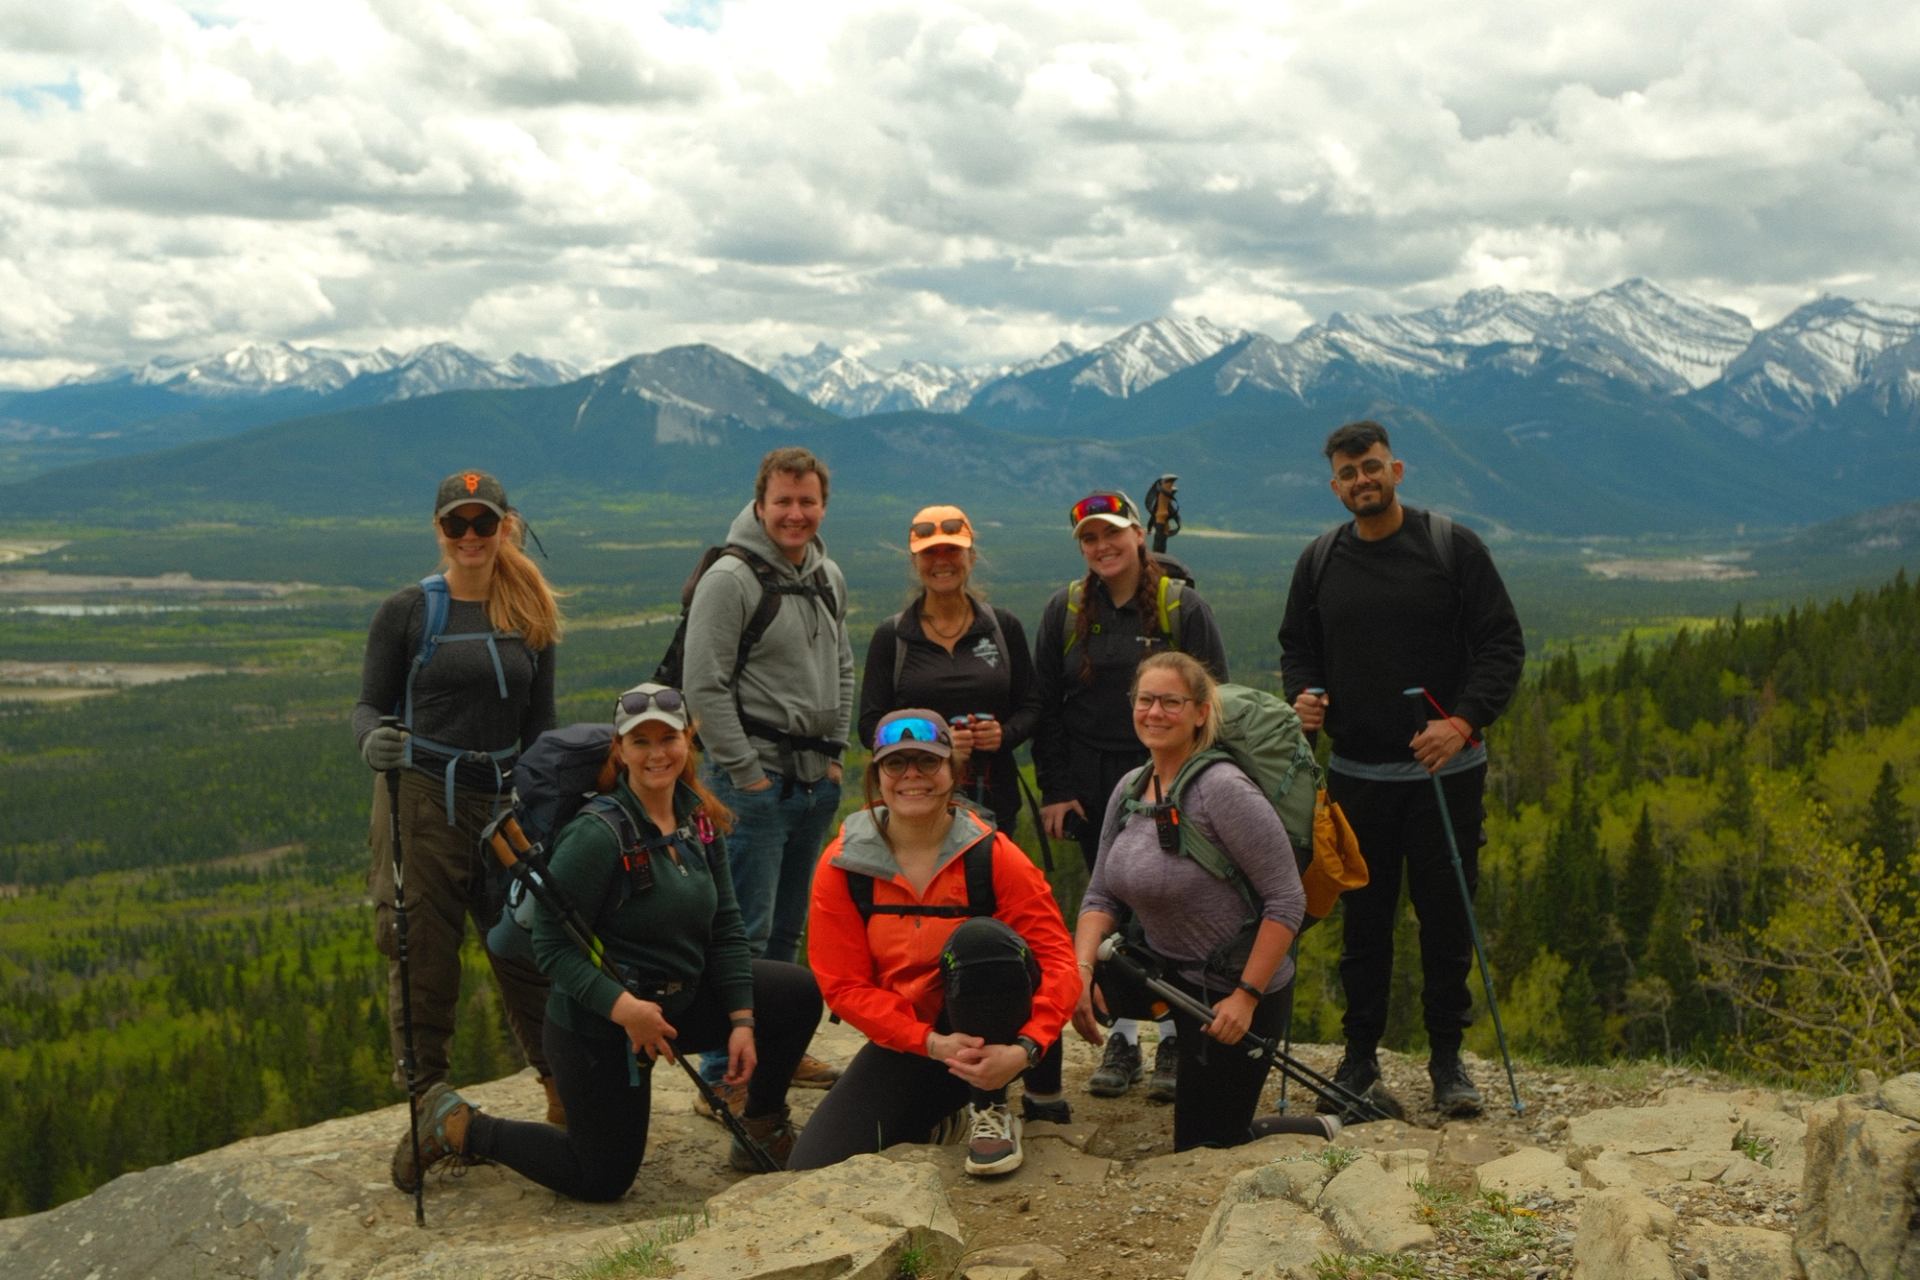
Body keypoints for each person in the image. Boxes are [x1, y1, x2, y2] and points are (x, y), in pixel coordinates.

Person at [396, 683, 824, 1197]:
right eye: (639, 742)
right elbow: (551, 947)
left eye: (667, 738)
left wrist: (740, 1019)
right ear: (619, 751)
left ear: (688, 740)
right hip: (600, 1026)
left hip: (673, 1005)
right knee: (600, 1178)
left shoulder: (697, 819)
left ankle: (761, 1126)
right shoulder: (596, 835)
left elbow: (727, 926)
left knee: (795, 994)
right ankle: (458, 1124)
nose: (656, 753)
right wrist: (625, 1010)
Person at [1277, 420, 1525, 1117]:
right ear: (1335, 485)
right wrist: (1304, 694)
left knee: (1447, 920)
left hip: (1447, 775)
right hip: (1357, 774)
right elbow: (1298, 644)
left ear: (1398, 470)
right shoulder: (1321, 560)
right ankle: (1359, 1060)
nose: (1363, 480)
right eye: (1349, 472)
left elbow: (1503, 646)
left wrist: (1461, 724)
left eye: (1373, 467)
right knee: (1365, 926)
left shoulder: (1452, 547)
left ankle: (1449, 1062)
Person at [353, 469, 563, 1186]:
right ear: (438, 530)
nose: (471, 537)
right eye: (456, 525)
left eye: (484, 523)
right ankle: (429, 1103)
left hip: (503, 801)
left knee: (528, 948)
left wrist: (542, 801)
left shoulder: (532, 609)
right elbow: (368, 706)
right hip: (421, 798)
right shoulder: (409, 611)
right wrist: (371, 741)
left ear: (506, 525)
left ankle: (564, 1092)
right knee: (421, 950)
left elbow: (542, 725)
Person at [790, 710, 1079, 1177]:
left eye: (927, 762)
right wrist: (927, 1042)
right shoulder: (845, 867)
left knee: (980, 940)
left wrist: (1026, 1048)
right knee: (813, 1166)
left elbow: (1057, 960)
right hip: (918, 1041)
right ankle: (944, 1117)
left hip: (998, 1035)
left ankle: (992, 1109)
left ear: (953, 772)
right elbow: (842, 985)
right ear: (878, 777)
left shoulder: (992, 854)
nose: (911, 776)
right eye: (896, 764)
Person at [1032, 489, 1228, 1103]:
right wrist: (1058, 789)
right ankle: (1123, 1034)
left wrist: (1203, 784)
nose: (1102, 547)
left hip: (1171, 775)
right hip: (1093, 783)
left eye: (1112, 533)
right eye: (1089, 538)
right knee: (1111, 902)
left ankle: (1172, 1032)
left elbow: (1214, 698)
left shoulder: (1181, 608)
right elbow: (1045, 709)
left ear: (1138, 535)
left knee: (1169, 903)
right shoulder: (1064, 612)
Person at [1069, 652, 1307, 1151]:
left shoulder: (1223, 790)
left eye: (1170, 702)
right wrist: (1082, 970)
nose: (1154, 712)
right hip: (1166, 975)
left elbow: (1286, 900)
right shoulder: (1131, 788)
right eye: (1145, 700)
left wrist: (1246, 997)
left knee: (1206, 1144)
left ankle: (1313, 1130)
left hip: (1230, 988)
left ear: (1201, 712)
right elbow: (1101, 893)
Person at [682, 445, 851, 1107]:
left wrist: (835, 754)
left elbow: (842, 663)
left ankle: (776, 1048)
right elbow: (704, 685)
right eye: (783, 501)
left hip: (812, 778)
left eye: (807, 501)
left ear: (822, 505)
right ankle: (723, 1066)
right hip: (751, 782)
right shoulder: (732, 579)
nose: (796, 513)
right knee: (742, 932)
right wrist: (745, 773)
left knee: (784, 929)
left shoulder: (826, 575)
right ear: (760, 504)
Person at [858, 503, 1041, 838]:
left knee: (990, 886)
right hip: (917, 801)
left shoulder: (1002, 627)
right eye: (929, 552)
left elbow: (1032, 706)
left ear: (971, 556)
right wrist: (934, 741)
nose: (941, 561)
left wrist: (1003, 735)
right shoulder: (893, 637)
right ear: (914, 562)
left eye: (952, 550)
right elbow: (869, 726)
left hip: (995, 797)